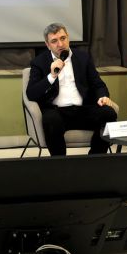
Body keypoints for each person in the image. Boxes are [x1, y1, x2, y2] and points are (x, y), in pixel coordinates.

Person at [26, 23, 117, 156]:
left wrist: (102, 96)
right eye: (54, 41)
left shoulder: (83, 57)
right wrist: (52, 76)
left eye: (63, 38)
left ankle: (95, 158)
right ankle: (61, 163)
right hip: (57, 112)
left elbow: (98, 85)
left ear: (68, 38)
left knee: (109, 113)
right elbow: (31, 93)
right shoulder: (39, 62)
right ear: (48, 45)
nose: (60, 44)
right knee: (51, 120)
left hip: (83, 109)